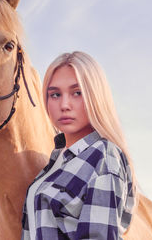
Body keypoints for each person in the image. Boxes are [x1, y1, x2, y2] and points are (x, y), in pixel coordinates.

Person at [21, 51, 137, 240]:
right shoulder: (57, 160)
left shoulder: (103, 157)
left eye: (77, 93)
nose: (64, 105)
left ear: (95, 96)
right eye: (55, 94)